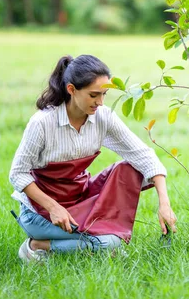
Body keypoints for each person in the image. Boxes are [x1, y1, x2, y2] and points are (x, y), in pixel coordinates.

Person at [9, 54, 177, 262]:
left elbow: (143, 155)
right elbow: (17, 173)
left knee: (130, 168)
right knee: (111, 242)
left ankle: (93, 243)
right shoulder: (43, 122)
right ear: (71, 89)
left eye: (104, 94)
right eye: (93, 95)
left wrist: (164, 203)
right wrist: (54, 207)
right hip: (41, 212)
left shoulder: (103, 117)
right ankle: (37, 245)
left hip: (79, 199)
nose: (100, 102)